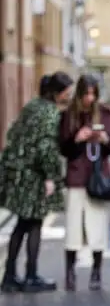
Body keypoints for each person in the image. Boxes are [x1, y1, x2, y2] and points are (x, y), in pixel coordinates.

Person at [0, 72, 73, 293]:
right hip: (35, 177)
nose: (69, 95)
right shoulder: (50, 113)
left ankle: (10, 276)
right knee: (34, 224)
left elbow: (14, 134)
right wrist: (51, 176)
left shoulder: (32, 106)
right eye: (67, 91)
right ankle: (30, 275)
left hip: (19, 174)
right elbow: (45, 148)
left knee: (22, 224)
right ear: (58, 92)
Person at [59, 74, 110, 291]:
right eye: (86, 93)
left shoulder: (105, 113)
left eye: (93, 94)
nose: (89, 98)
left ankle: (96, 272)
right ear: (80, 93)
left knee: (97, 227)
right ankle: (70, 273)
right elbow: (64, 149)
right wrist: (78, 138)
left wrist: (103, 140)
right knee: (73, 228)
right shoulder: (69, 115)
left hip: (98, 177)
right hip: (76, 177)